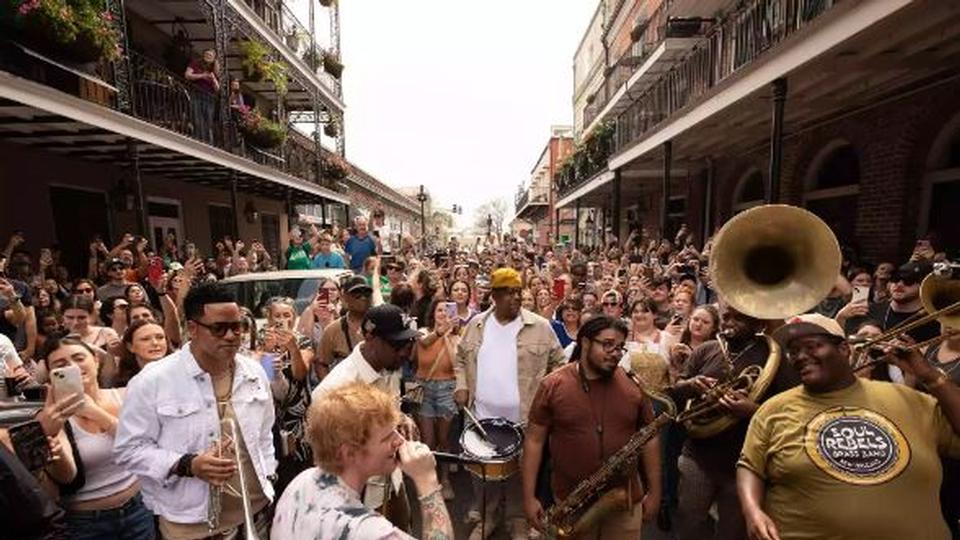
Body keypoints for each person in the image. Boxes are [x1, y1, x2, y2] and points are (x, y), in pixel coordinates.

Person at [737, 313, 960, 540]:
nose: (800, 357)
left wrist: (931, 376)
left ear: (844, 349)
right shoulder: (774, 409)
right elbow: (750, 465)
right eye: (793, 352)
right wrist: (752, 510)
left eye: (812, 346)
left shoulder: (910, 400)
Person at [113, 283, 277, 539]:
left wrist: (269, 473)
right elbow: (129, 450)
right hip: (192, 524)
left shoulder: (254, 372)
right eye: (219, 328)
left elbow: (266, 434)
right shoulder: (152, 381)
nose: (231, 336)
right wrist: (187, 465)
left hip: (256, 513)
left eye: (237, 327)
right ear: (192, 329)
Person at [669, 301, 799, 540]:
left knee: (733, 531)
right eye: (726, 316)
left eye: (738, 318)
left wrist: (753, 410)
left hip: (745, 462)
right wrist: (690, 385)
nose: (729, 322)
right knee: (689, 523)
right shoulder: (707, 349)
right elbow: (676, 390)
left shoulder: (774, 357)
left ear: (758, 323)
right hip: (698, 455)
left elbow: (790, 411)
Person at [522, 315, 661, 539]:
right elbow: (534, 441)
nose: (615, 353)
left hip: (623, 501)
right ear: (585, 343)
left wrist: (655, 492)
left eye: (620, 347)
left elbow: (650, 438)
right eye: (607, 344)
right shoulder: (553, 384)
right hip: (570, 503)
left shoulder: (633, 386)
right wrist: (529, 497)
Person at [454, 267, 566, 540]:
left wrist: (546, 397)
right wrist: (462, 385)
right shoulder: (477, 324)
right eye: (508, 293)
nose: (516, 298)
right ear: (494, 295)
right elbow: (460, 358)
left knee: (521, 472)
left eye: (518, 292)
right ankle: (488, 516)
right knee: (482, 474)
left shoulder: (539, 326)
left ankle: (517, 518)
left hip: (525, 419)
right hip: (481, 417)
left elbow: (560, 363)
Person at [271, 383, 454, 540]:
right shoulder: (366, 530)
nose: (400, 441)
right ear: (349, 452)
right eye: (387, 437)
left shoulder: (300, 483)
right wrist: (427, 482)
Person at [39, 334, 156, 540]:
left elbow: (144, 446)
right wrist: (51, 442)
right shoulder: (51, 416)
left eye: (79, 358)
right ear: (51, 374)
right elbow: (67, 476)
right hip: (85, 523)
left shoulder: (125, 394)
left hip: (138, 509)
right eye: (61, 364)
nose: (73, 367)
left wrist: (96, 413)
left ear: (95, 359)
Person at [311, 304, 420, 521]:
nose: (404, 352)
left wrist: (401, 419)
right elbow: (330, 462)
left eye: (408, 343)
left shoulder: (388, 365)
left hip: (392, 483)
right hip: (359, 501)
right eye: (396, 344)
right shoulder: (335, 390)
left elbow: (387, 412)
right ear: (371, 338)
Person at [257, 297, 315, 497]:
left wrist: (292, 347)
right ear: (269, 318)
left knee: (301, 472)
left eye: (286, 315)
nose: (282, 320)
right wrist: (267, 350)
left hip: (297, 419)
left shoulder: (303, 340)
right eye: (277, 316)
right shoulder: (260, 341)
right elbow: (265, 378)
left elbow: (301, 373)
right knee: (278, 473)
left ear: (294, 317)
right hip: (272, 416)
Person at [412, 300, 459, 499]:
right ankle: (429, 481)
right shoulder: (423, 331)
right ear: (433, 313)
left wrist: (448, 335)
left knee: (443, 439)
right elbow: (424, 343)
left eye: (446, 310)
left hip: (447, 388)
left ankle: (445, 479)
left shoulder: (457, 337)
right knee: (428, 440)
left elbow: (455, 362)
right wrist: (440, 332)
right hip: (425, 389)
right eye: (439, 310)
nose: (442, 314)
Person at [864, 260, 939, 342]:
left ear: (923, 285)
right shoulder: (871, 311)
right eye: (895, 279)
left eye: (908, 281)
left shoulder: (935, 319)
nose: (899, 284)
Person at [317, 276, 371, 376]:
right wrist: (331, 389)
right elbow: (321, 364)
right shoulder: (333, 329)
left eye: (367, 293)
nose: (363, 297)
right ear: (344, 297)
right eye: (357, 293)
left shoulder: (381, 323)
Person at [115, 319, 169, 387]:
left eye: (160, 337)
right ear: (130, 347)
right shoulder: (126, 385)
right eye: (145, 339)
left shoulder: (181, 371)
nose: (155, 343)